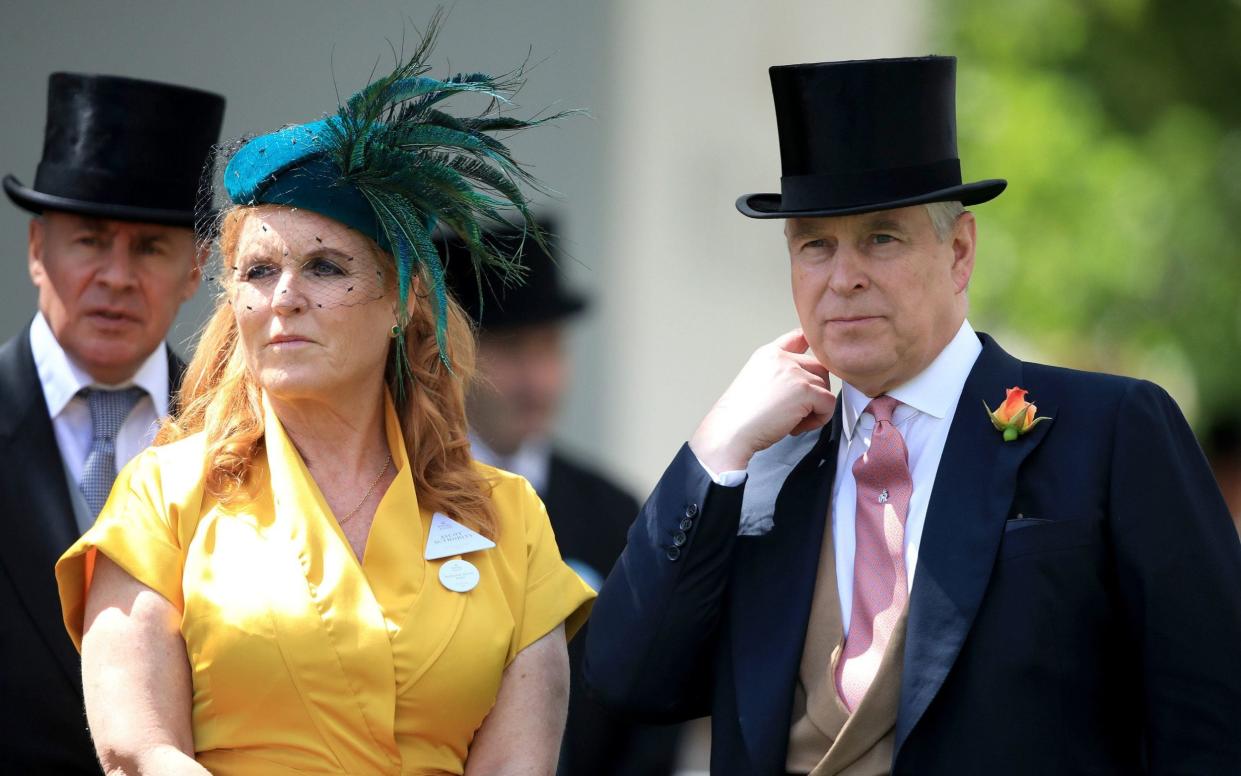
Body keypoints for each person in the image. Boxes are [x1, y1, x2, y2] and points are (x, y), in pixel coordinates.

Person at [583, 56, 1241, 775]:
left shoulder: (1109, 428)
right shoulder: (767, 464)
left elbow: (1211, 712)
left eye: (880, 238)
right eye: (814, 246)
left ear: (958, 252)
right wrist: (716, 449)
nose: (843, 276)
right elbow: (626, 675)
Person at [54, 34, 594, 775]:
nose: (284, 299)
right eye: (259, 271)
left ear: (402, 301)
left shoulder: (506, 517)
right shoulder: (165, 498)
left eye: (325, 268)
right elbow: (138, 750)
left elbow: (517, 766)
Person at [0, 72, 223, 773]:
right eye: (91, 240)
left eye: (152, 247)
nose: (117, 276)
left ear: (197, 268)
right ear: (38, 249)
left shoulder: (248, 439)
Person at [443, 224, 683, 775]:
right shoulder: (404, 499)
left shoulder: (615, 512)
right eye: (510, 351)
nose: (538, 381)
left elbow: (651, 694)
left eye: (551, 349)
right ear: (451, 356)